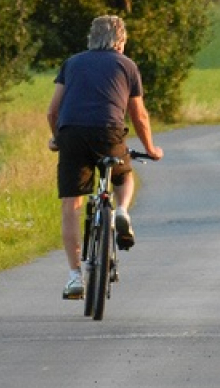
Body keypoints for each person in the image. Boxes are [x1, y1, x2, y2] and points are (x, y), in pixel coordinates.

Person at [47, 15, 163, 300]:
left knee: (71, 204)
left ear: (91, 38)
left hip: (72, 134)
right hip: (109, 133)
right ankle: (122, 211)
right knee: (123, 174)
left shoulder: (72, 63)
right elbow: (139, 114)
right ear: (120, 41)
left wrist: (58, 139)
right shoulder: (127, 65)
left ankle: (75, 276)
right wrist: (150, 148)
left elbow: (52, 111)